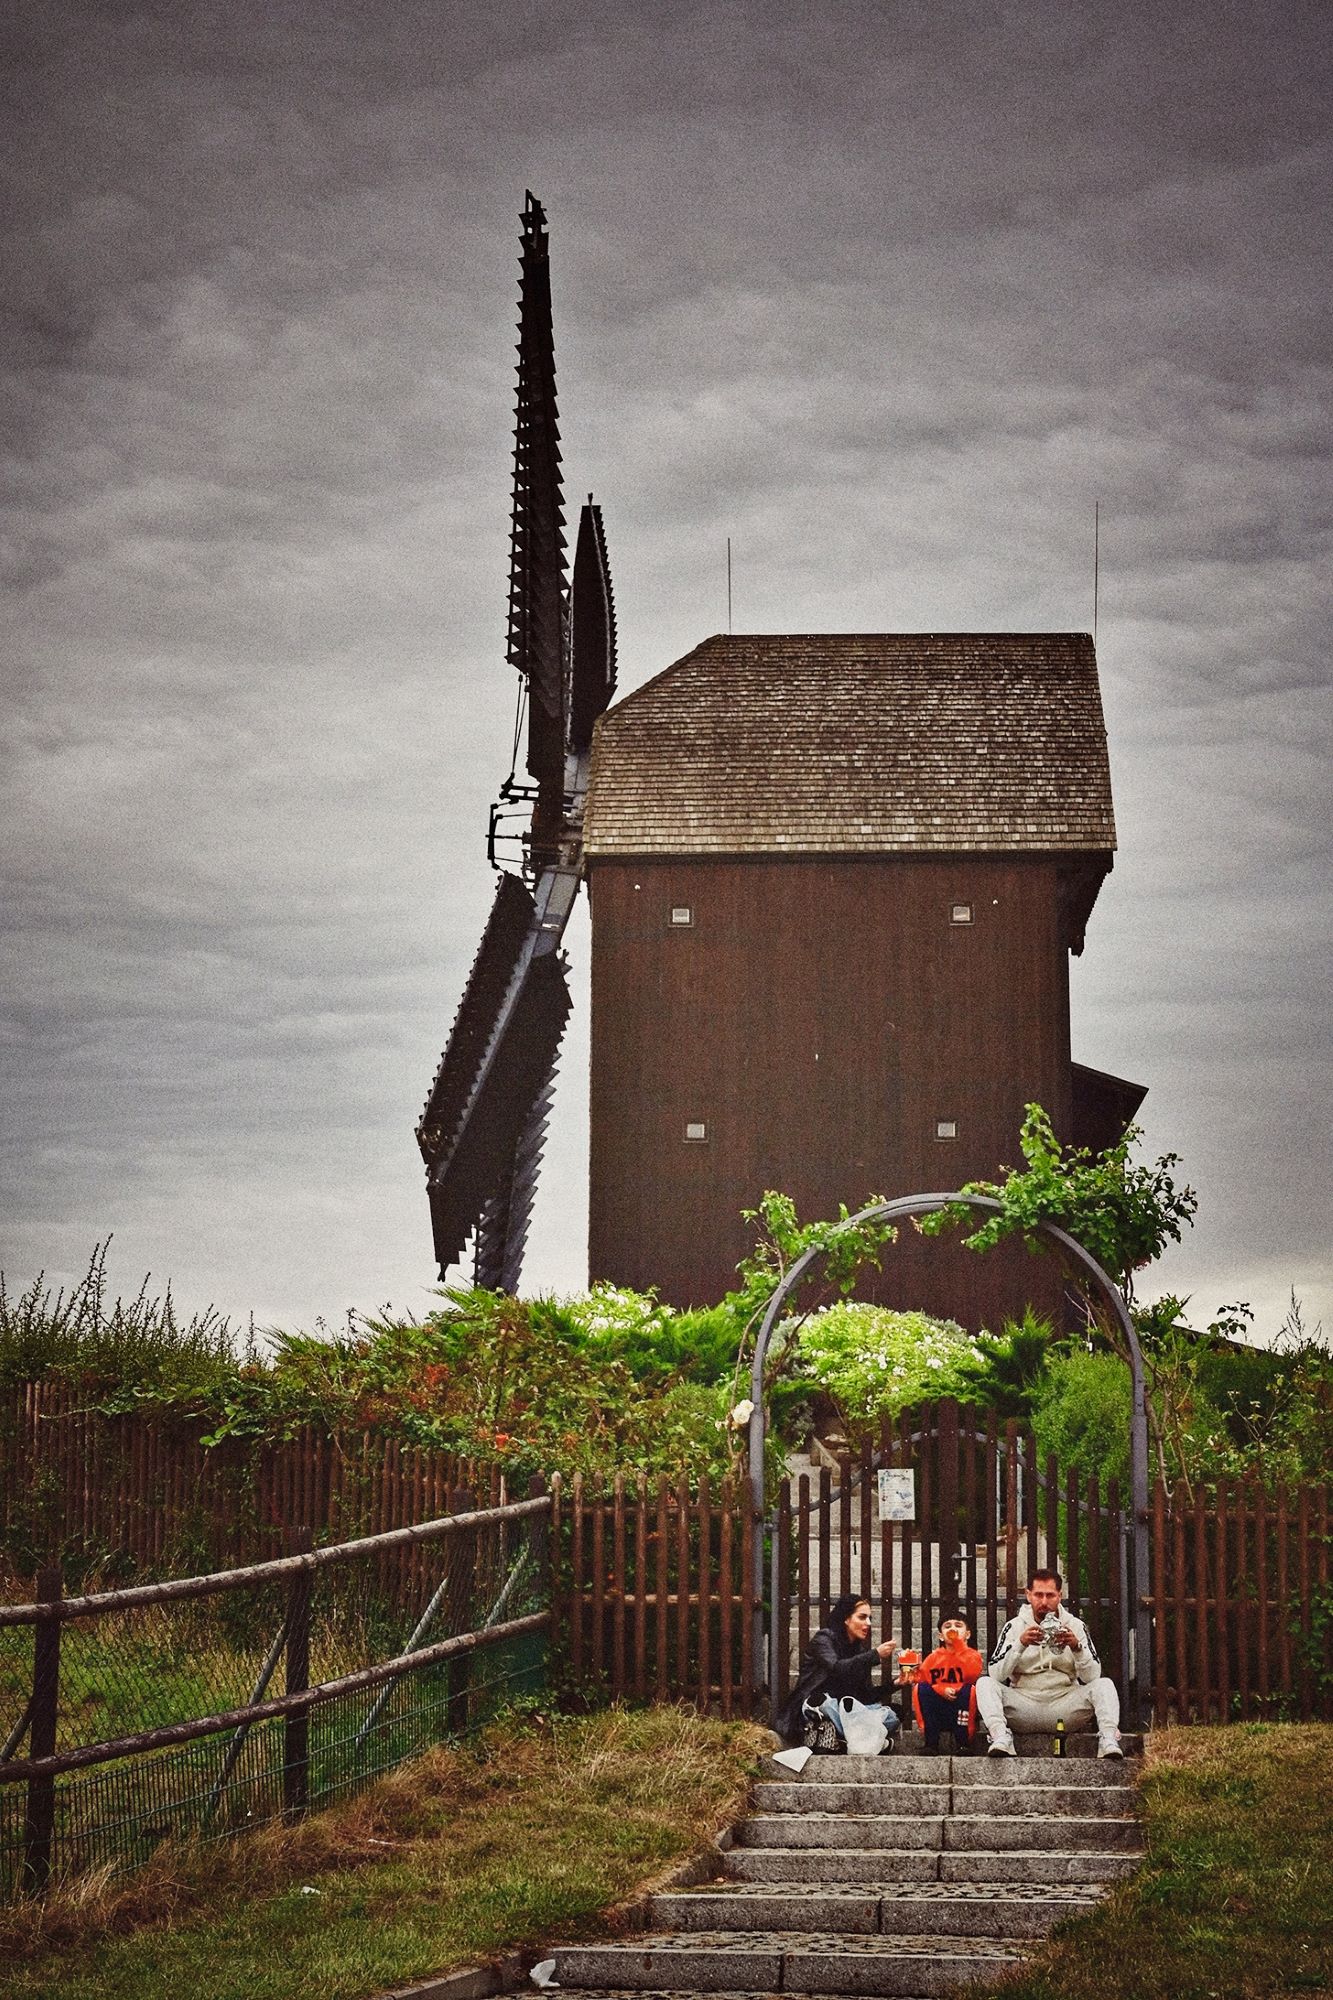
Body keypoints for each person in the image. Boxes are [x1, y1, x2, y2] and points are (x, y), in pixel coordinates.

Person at [975, 1568, 1123, 1759]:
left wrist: (1076, 1647)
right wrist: (1020, 1644)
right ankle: (1000, 1736)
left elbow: (1092, 1676)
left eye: (1050, 1595)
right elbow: (996, 1674)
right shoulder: (1014, 1626)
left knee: (1105, 1684)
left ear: (1060, 1596)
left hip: (1064, 1704)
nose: (1044, 1602)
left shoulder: (1075, 1625)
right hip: (1024, 1705)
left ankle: (1109, 1739)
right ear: (1028, 1595)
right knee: (984, 1683)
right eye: (1038, 1595)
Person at [776, 1593, 901, 1751]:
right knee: (824, 1703)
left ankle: (846, 1738)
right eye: (862, 1617)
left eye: (869, 1618)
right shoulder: (823, 1640)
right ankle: (869, 1739)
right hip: (821, 1708)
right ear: (846, 1619)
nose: (868, 1623)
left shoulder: (860, 1651)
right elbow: (837, 1668)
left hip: (846, 1713)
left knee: (892, 1715)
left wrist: (896, 1684)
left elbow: (865, 1696)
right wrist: (875, 1655)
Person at [911, 1614, 985, 1753]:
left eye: (958, 1626)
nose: (952, 1629)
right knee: (921, 1688)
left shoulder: (972, 1655)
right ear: (940, 1636)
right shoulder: (934, 1657)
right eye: (947, 1626)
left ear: (967, 1634)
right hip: (937, 1711)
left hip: (961, 1710)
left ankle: (963, 1743)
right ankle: (931, 1743)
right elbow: (923, 1678)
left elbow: (972, 1674)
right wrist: (940, 1689)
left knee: (969, 1690)